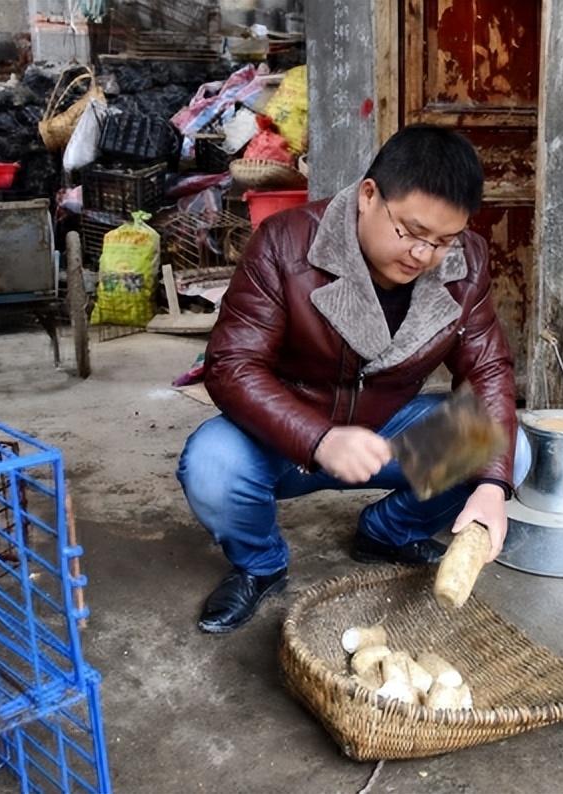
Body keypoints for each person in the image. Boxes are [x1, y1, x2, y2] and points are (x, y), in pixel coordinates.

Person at [177, 125, 531, 634]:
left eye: (442, 240)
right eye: (409, 231)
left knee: (508, 449)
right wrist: (317, 438)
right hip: (284, 440)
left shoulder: (464, 262)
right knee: (212, 464)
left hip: (383, 436)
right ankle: (261, 565)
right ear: (368, 196)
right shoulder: (285, 243)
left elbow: (488, 370)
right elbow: (231, 365)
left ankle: (387, 532)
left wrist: (493, 486)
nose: (422, 255)